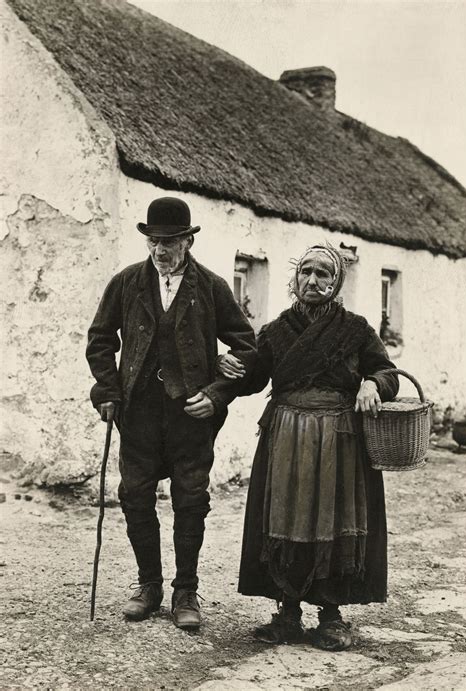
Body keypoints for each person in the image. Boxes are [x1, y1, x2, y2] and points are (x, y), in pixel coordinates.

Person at [218, 244, 399, 650]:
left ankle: (332, 615)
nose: (313, 281)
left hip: (339, 439)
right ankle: (287, 612)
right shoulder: (278, 331)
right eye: (306, 272)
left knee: (333, 520)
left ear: (336, 283)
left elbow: (386, 372)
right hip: (287, 436)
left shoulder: (355, 329)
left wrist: (373, 383)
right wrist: (230, 368)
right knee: (285, 517)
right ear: (295, 278)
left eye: (323, 274)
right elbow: (253, 378)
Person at [86, 197, 256, 629]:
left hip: (191, 416)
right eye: (154, 242)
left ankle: (185, 592)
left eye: (170, 242)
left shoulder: (214, 287)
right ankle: (149, 586)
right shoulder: (126, 283)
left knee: (191, 500)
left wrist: (218, 394)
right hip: (138, 413)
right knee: (135, 496)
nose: (160, 251)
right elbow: (100, 340)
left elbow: (246, 348)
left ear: (187, 241)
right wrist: (107, 389)